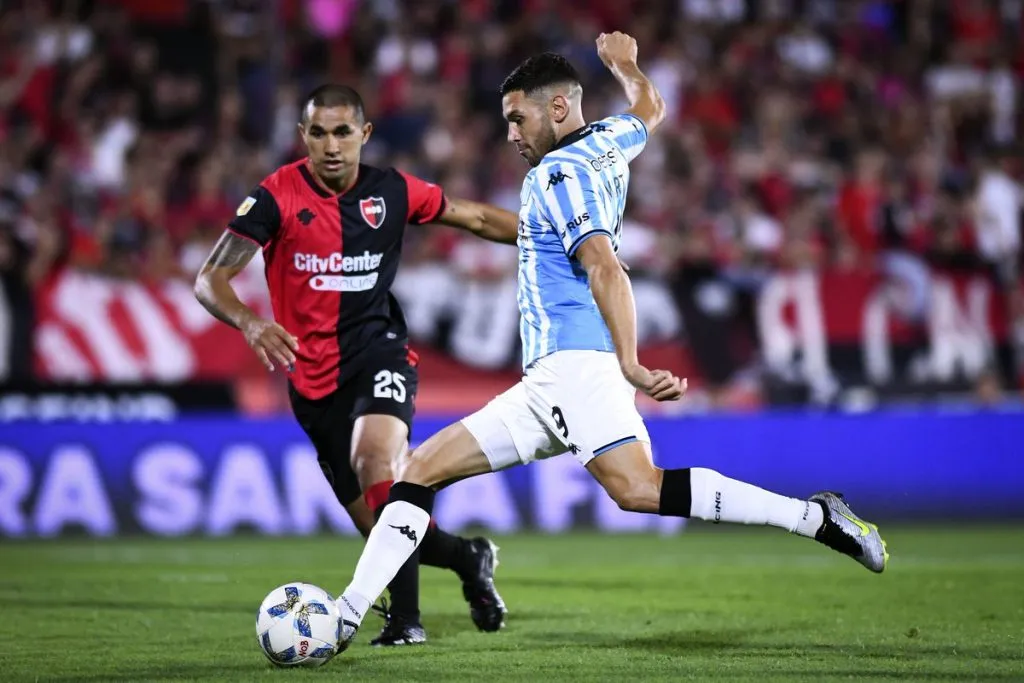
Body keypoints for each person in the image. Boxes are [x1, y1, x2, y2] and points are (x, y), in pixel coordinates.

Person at [330, 33, 890, 650]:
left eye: (519, 119)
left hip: (577, 367)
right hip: (546, 381)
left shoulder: (557, 175)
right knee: (417, 473)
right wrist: (626, 65)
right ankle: (347, 617)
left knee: (638, 489)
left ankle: (813, 517)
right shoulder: (605, 145)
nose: (512, 134)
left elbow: (603, 265)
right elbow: (650, 109)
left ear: (559, 109)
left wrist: (630, 363)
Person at [193, 84, 512, 646]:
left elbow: (477, 220)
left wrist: (563, 239)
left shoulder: (392, 191)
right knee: (378, 526)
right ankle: (468, 556)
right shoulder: (276, 196)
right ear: (303, 137)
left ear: (364, 134)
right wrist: (250, 322)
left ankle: (406, 623)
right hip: (310, 378)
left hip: (379, 350)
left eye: (343, 132)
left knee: (377, 464)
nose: (331, 145)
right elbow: (209, 279)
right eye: (319, 132)